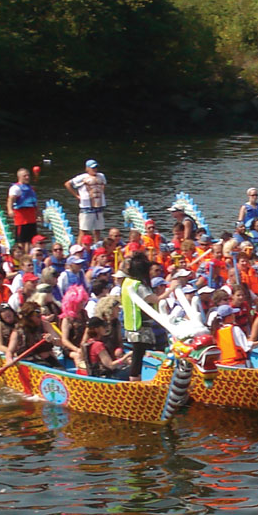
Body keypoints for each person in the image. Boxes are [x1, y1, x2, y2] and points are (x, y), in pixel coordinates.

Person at [121, 253, 179, 381]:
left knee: (138, 355)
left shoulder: (127, 282)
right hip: (140, 326)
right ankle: (135, 381)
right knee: (138, 356)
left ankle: (136, 378)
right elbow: (156, 299)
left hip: (131, 324)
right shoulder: (139, 286)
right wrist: (171, 289)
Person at [6, 301, 61, 366]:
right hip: (28, 361)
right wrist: (9, 360)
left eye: (40, 316)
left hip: (48, 360)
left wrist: (52, 339)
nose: (40, 318)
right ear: (29, 317)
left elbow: (59, 342)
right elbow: (10, 351)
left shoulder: (45, 325)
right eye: (38, 316)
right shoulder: (18, 331)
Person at [65, 159, 107, 242]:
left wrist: (101, 194)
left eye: (96, 167)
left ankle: (96, 246)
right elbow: (67, 184)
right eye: (92, 168)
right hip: (87, 207)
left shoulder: (101, 176)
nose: (95, 169)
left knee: (97, 230)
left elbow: (103, 185)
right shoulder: (81, 177)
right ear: (87, 168)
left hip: (99, 206)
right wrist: (76, 196)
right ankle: (79, 247)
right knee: (84, 230)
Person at [7, 168, 39, 253]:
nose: (27, 177)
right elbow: (10, 199)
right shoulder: (15, 188)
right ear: (19, 177)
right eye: (25, 176)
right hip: (21, 218)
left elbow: (34, 203)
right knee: (21, 240)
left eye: (28, 175)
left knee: (31, 240)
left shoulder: (31, 188)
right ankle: (21, 256)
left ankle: (29, 255)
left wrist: (38, 214)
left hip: (31, 218)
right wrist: (10, 210)